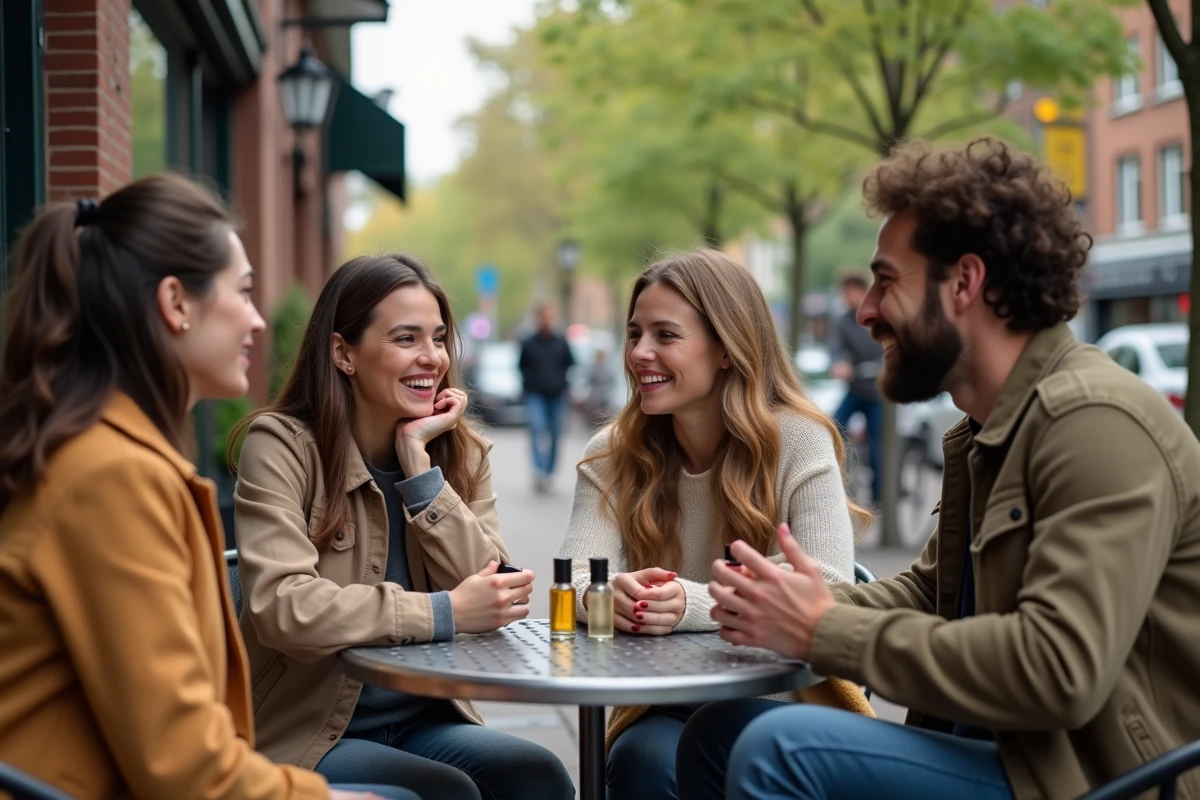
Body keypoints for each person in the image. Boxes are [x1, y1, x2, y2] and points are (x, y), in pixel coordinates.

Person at [677, 137, 1200, 800]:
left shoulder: (1096, 422)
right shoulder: (989, 431)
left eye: (886, 281)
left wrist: (822, 629)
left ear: (965, 283)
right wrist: (777, 606)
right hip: (1008, 760)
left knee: (778, 748)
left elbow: (1060, 670)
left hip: (1095, 782)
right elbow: (933, 598)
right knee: (715, 733)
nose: (866, 312)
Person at [0, 177, 415, 800]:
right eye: (243, 291)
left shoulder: (108, 455)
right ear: (177, 302)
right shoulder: (112, 477)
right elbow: (184, 765)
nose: (256, 318)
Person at [230, 254, 574, 800]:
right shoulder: (281, 447)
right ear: (344, 352)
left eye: (438, 338)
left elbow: (497, 591)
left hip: (424, 718)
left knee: (539, 774)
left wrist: (420, 473)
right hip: (309, 731)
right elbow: (281, 606)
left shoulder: (460, 453)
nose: (431, 357)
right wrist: (442, 611)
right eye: (406, 338)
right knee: (446, 791)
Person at [559, 249, 875, 800]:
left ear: (726, 347)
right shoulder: (612, 451)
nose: (639, 353)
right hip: (666, 702)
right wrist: (617, 596)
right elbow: (578, 579)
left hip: (783, 703)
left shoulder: (799, 439)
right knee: (639, 758)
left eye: (665, 335)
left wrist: (691, 602)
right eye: (634, 334)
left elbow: (830, 580)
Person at [828, 270, 884, 504]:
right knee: (832, 428)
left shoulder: (877, 317)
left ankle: (879, 498)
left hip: (878, 392)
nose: (846, 296)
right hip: (855, 388)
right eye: (844, 291)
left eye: (850, 291)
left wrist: (886, 365)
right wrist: (838, 363)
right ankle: (834, 485)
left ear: (862, 291)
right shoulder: (843, 321)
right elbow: (835, 348)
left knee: (878, 447)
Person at [518, 302, 575, 492]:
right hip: (535, 395)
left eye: (550, 316)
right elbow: (521, 366)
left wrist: (563, 384)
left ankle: (549, 473)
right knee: (536, 428)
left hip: (557, 395)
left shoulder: (561, 342)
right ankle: (539, 472)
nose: (547, 321)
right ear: (537, 319)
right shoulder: (529, 343)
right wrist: (528, 384)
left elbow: (571, 363)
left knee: (556, 434)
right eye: (543, 316)